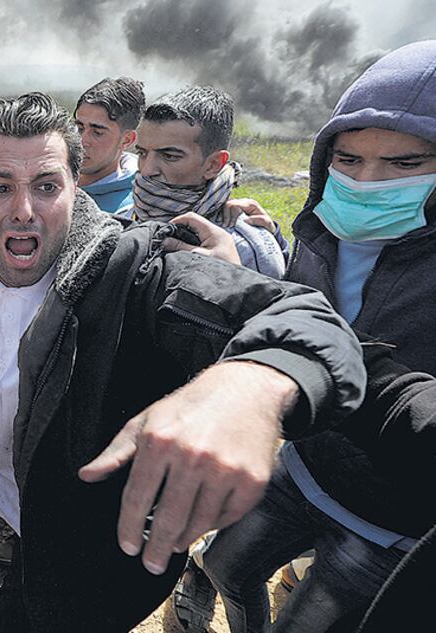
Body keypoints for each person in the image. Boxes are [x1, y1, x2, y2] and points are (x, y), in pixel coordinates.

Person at [0, 91, 366, 632]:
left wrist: (249, 386)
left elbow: (306, 319)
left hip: (75, 551)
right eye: (0, 188)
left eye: (46, 186)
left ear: (73, 188)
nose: (23, 210)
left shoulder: (129, 272)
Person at [171, 39, 436, 633]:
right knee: (226, 568)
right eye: (348, 159)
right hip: (304, 465)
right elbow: (297, 310)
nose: (368, 181)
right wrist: (244, 274)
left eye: (405, 164)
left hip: (390, 519)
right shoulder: (321, 233)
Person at [132, 86, 286, 278]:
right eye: (142, 153)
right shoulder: (127, 215)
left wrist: (227, 277)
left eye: (169, 156)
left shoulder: (244, 248)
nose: (147, 170)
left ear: (213, 164)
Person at [74, 77, 144, 214]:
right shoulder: (47, 179)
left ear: (127, 140)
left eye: (97, 133)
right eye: (79, 128)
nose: (82, 141)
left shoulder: (129, 211)